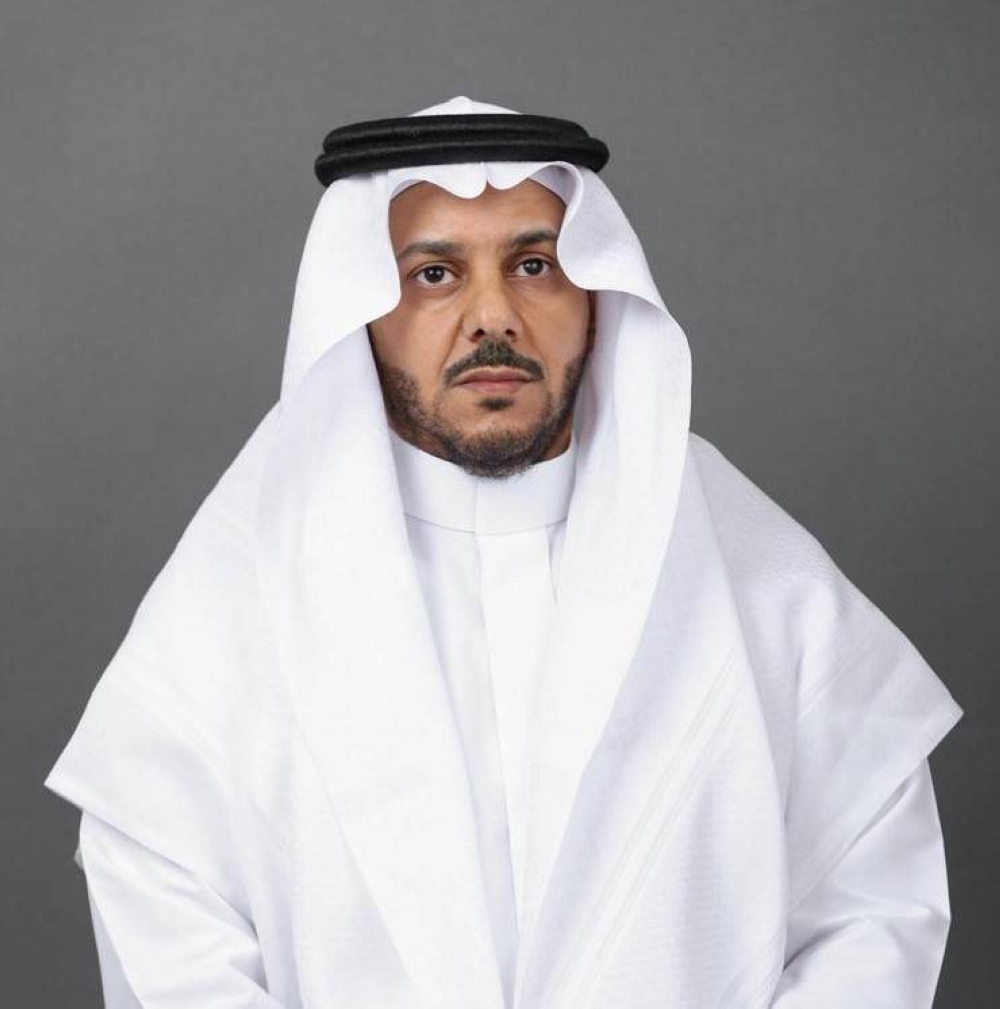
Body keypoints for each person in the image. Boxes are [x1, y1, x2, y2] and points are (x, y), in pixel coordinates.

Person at [44, 96, 962, 1008]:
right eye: (434, 273)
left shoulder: (753, 576)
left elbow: (872, 901)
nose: (494, 316)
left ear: (595, 293)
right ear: (360, 306)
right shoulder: (235, 595)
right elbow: (167, 916)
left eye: (534, 265)